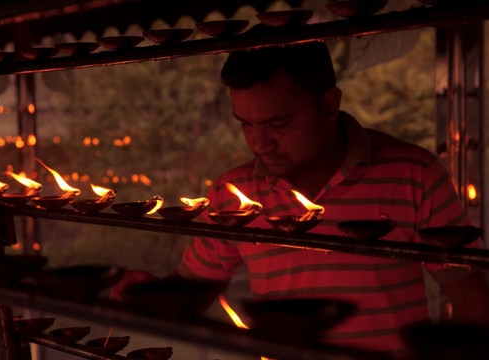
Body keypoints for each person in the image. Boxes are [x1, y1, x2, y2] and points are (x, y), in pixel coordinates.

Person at [113, 35, 489, 357]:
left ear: (329, 104)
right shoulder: (235, 194)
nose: (260, 143)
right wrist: (151, 292)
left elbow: (473, 299)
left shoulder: (413, 173)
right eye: (246, 124)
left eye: (278, 123)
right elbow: (192, 288)